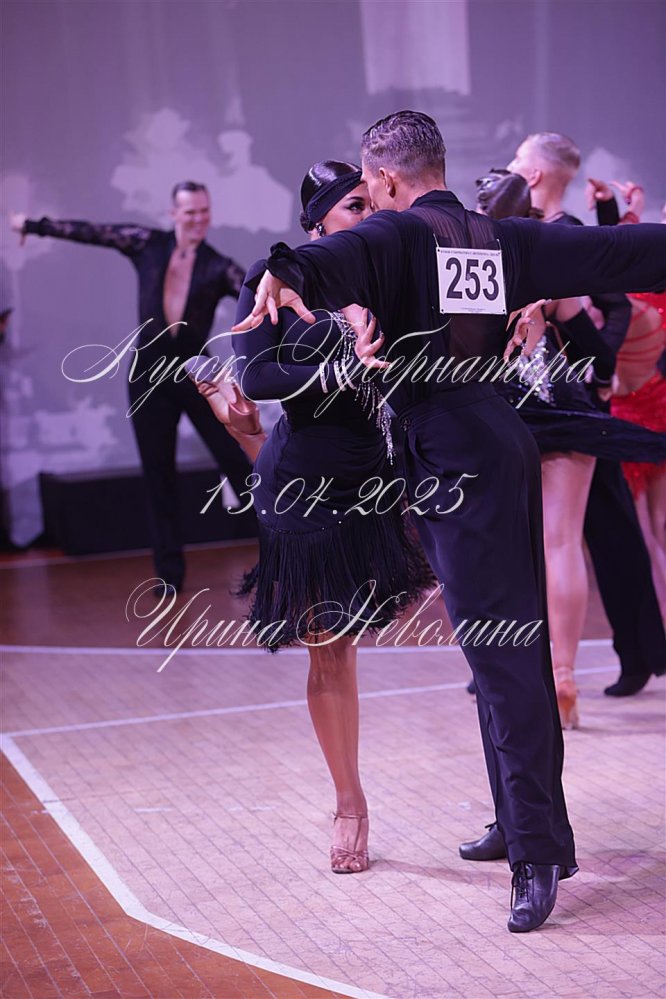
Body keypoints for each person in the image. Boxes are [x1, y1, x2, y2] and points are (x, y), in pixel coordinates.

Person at [234, 111, 666, 933]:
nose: (369, 202)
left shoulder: (398, 233)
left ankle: (537, 853)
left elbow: (331, 256)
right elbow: (616, 253)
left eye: (369, 189)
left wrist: (283, 269)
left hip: (454, 456)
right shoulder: (495, 236)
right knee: (499, 649)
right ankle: (521, 819)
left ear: (386, 180)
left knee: (502, 654)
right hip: (490, 443)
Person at [195, 161, 433, 874]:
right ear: (316, 223)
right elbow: (259, 374)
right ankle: (350, 803)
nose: (366, 214)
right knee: (329, 647)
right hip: (303, 490)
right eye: (352, 206)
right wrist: (344, 368)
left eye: (369, 201)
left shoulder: (386, 272)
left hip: (374, 485)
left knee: (352, 642)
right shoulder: (276, 278)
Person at [475, 169, 666, 728]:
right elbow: (598, 351)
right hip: (562, 408)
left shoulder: (465, 269)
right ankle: (563, 677)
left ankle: (520, 680)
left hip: (497, 418)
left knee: (508, 553)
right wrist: (600, 383)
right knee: (561, 545)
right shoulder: (547, 266)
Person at [10, 182, 252, 592]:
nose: (198, 220)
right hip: (148, 376)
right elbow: (94, 232)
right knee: (158, 474)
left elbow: (256, 294)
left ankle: (281, 552)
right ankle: (169, 574)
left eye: (204, 211)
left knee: (237, 462)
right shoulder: (147, 245)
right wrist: (33, 225)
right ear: (174, 214)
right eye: (190, 212)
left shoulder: (218, 266)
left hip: (196, 374)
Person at [587, 177, 666, 622]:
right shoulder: (651, 281)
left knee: (648, 531)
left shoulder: (642, 285)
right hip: (651, 402)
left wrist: (625, 210)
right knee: (657, 529)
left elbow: (618, 264)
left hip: (637, 408)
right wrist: (624, 208)